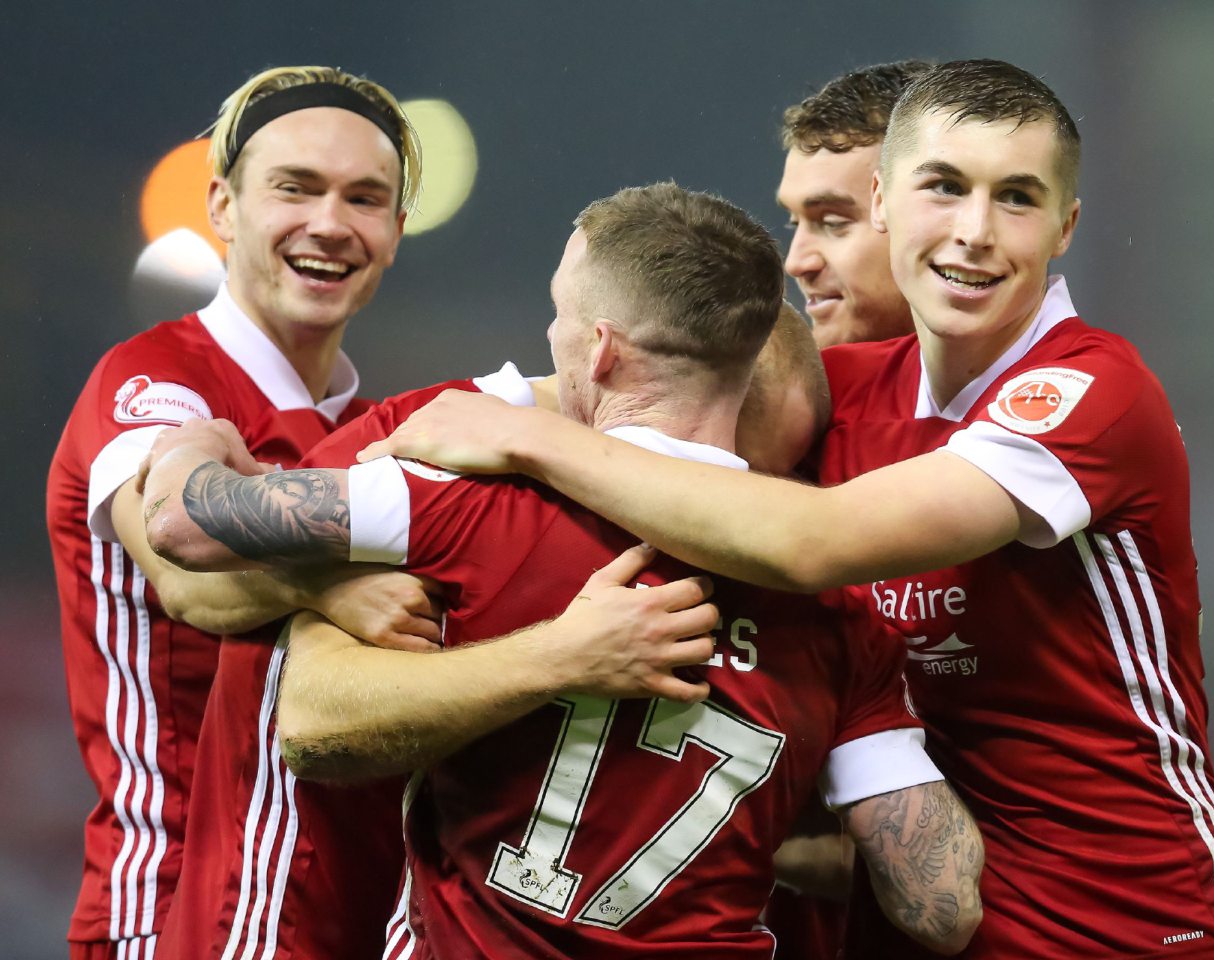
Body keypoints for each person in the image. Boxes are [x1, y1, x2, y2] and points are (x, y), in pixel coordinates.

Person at [361, 61, 1214, 959]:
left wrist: (532, 440)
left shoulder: (1090, 393)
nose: (976, 233)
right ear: (889, 203)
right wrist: (341, 552)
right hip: (914, 926)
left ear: (1067, 225)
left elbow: (812, 544)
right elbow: (608, 395)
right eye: (945, 189)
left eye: (1018, 199)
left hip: (1129, 928)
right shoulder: (833, 395)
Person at [140, 183, 985, 958]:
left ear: (604, 350)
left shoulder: (466, 502)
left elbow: (186, 529)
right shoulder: (846, 622)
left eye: (560, 317)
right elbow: (941, 907)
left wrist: (192, 443)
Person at [44, 64, 443, 960]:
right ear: (223, 206)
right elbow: (187, 574)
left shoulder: (368, 425)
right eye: (295, 189)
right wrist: (329, 592)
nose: (331, 225)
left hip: (347, 911)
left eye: (365, 199)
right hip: (174, 904)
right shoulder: (158, 384)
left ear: (396, 231)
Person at [770, 59, 935, 960]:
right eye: (795, 219)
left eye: (832, 221)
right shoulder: (773, 415)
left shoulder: (1051, 415)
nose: (796, 258)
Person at [777, 60, 932, 348]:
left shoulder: (1034, 385)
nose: (796, 264)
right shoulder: (788, 389)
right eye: (794, 223)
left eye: (832, 223)